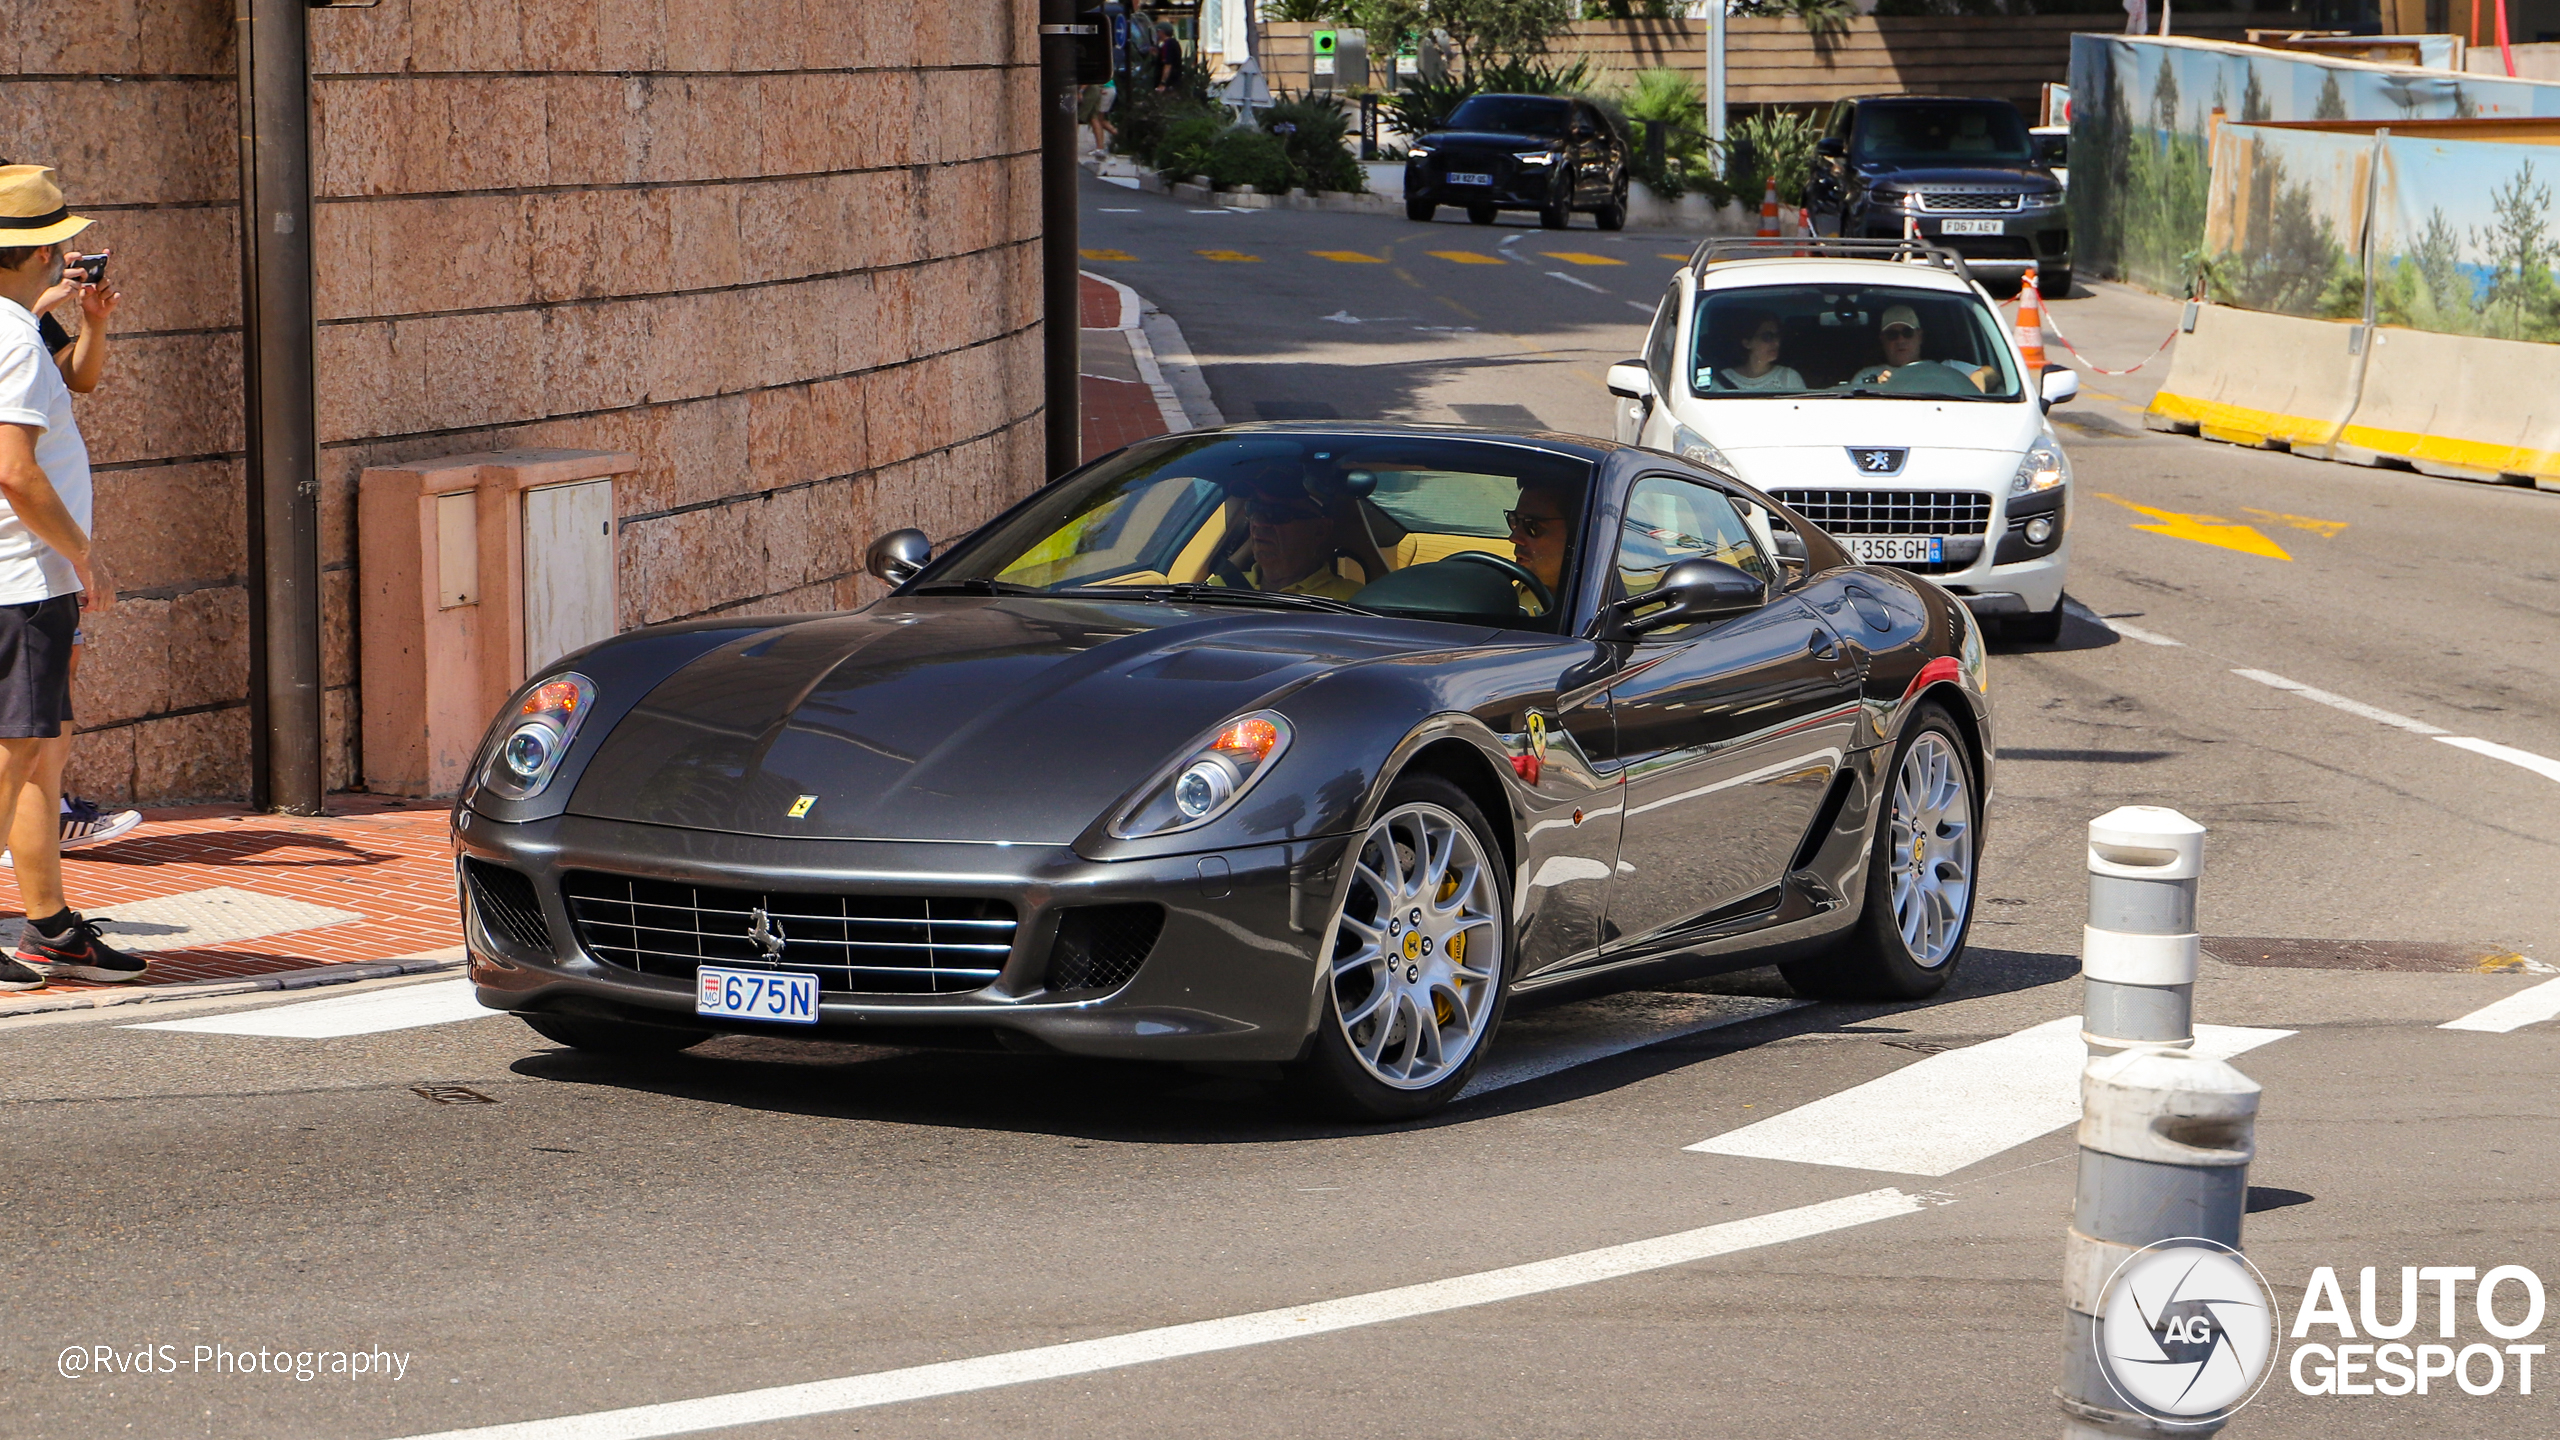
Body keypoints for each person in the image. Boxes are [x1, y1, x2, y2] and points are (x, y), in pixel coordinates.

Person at [0, 163, 143, 990]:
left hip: (26, 576)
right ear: (34, 253)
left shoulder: (21, 329)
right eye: (57, 243)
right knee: (16, 756)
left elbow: (74, 384)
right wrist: (83, 555)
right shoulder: (15, 336)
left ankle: (48, 926)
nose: (66, 255)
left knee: (37, 754)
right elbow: (15, 471)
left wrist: (88, 325)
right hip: (22, 578)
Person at [1235, 481, 1362, 601]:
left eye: (1279, 513)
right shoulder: (1220, 587)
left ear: (1320, 530)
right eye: (1253, 508)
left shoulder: (1356, 600)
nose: (1258, 522)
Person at [1850, 303, 1994, 392]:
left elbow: (1993, 373)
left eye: (1907, 333)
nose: (1901, 340)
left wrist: (1979, 377)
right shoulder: (1868, 376)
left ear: (1919, 336)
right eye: (1892, 335)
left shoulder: (1948, 368)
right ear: (1883, 339)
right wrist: (1877, 389)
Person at [1505, 480, 1576, 617]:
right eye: (1514, 520)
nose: (1514, 537)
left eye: (1532, 525)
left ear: (1576, 534)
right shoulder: (1499, 601)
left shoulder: (1614, 614)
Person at [1716, 310, 1805, 392]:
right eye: (1767, 337)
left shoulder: (1789, 377)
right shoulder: (1723, 379)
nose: (1776, 343)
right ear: (1747, 343)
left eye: (1777, 336)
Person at [1079, 76, 1118, 159]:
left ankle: (1116, 138)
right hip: (1107, 88)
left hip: (1105, 89)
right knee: (1096, 119)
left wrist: (1081, 91)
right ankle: (1101, 146)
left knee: (1098, 119)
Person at [1151, 23, 1183, 92]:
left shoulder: (1168, 44)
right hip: (1175, 80)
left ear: (1162, 32)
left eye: (1157, 31)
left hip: (1169, 82)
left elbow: (1167, 64)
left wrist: (1163, 82)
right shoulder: (1174, 43)